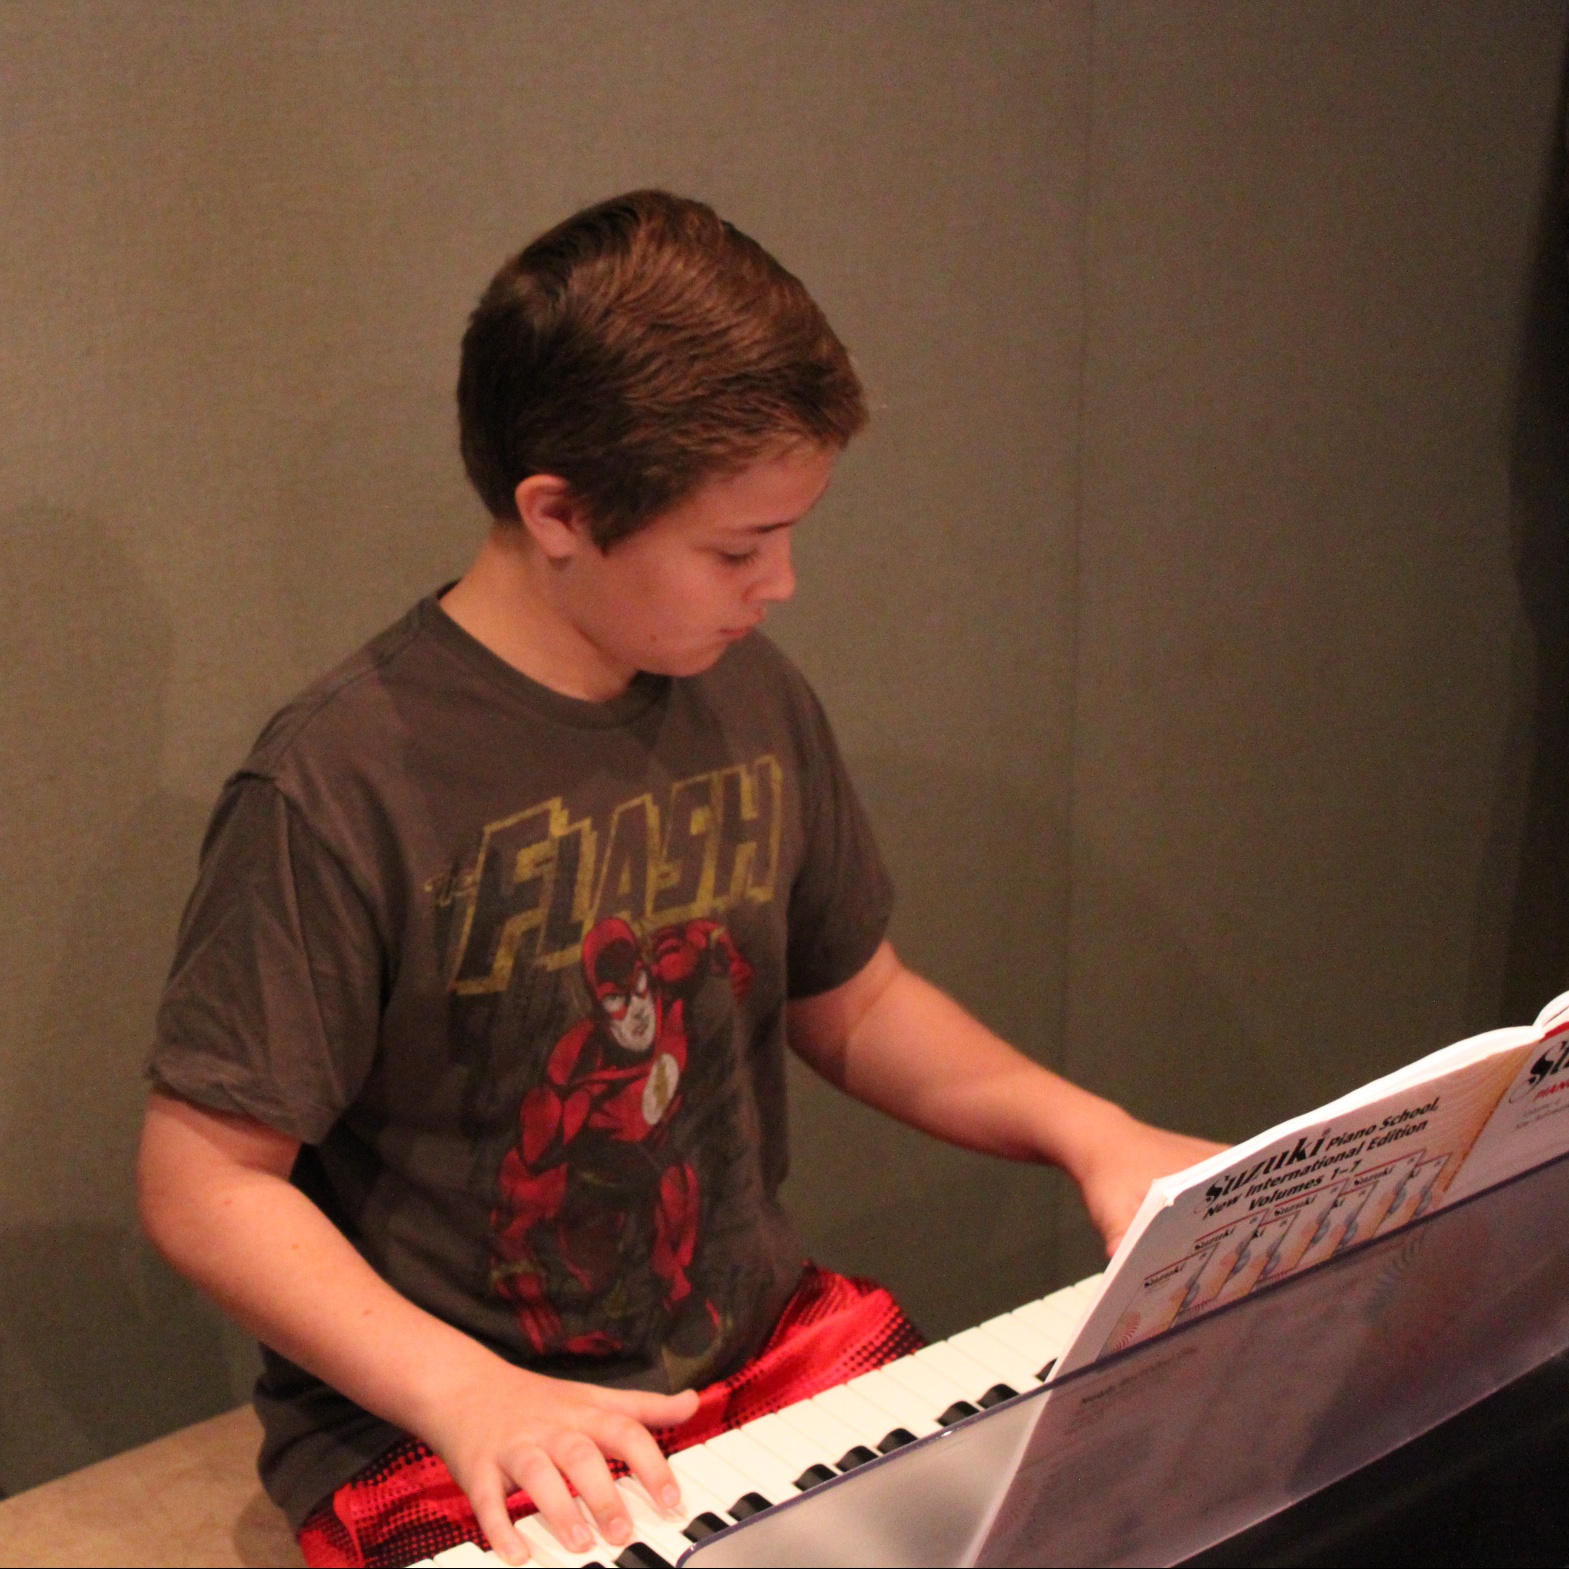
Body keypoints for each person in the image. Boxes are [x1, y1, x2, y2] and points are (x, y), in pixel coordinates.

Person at [137, 190, 1221, 1569]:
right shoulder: (335, 782)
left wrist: (1092, 1129)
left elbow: (856, 1000)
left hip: (755, 1351)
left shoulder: (745, 692)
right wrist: (462, 1389)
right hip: (454, 1420)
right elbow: (206, 1182)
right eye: (736, 546)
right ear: (560, 513)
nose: (779, 584)